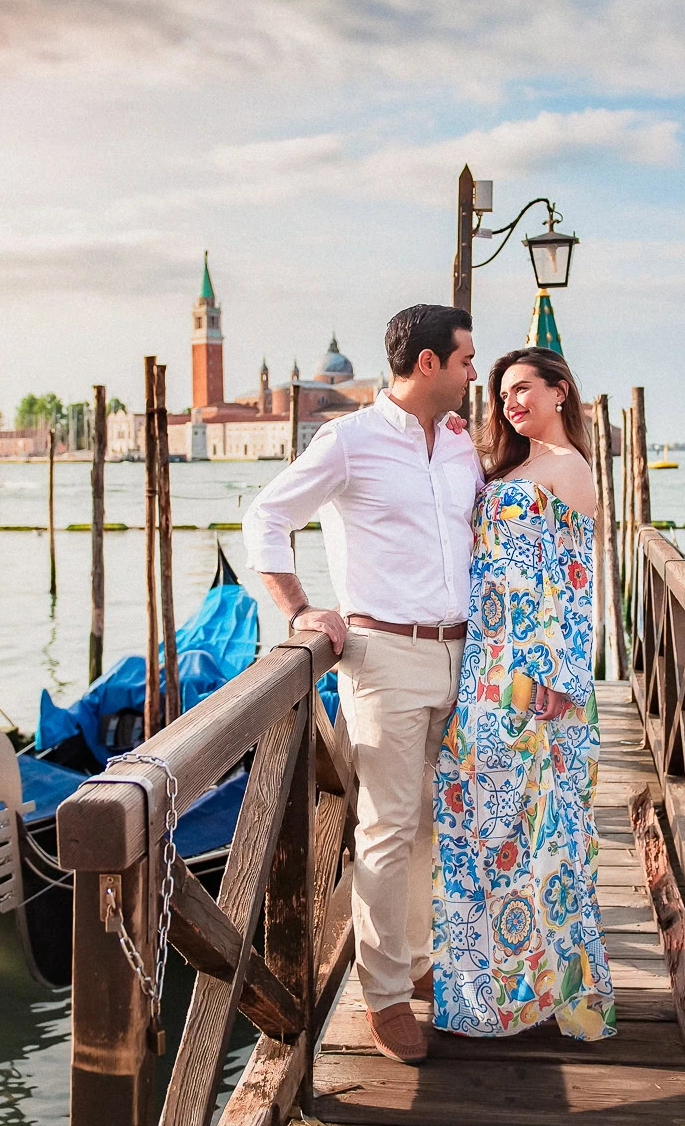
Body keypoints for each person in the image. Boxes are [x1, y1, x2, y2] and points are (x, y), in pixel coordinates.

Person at [242, 304, 480, 1066]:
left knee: (429, 827)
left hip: (459, 654)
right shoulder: (348, 439)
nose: (476, 371)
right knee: (383, 828)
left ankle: (415, 959)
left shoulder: (459, 443)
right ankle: (382, 997)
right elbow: (265, 517)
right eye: (467, 358)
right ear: (430, 364)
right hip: (383, 656)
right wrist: (301, 607)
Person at [431, 346, 615, 1041]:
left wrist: (552, 687)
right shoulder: (509, 467)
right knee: (479, 827)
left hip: (530, 683)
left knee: (539, 836)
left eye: (524, 388)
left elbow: (571, 589)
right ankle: (493, 992)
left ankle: (548, 995)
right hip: (484, 668)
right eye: (503, 392)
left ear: (561, 391)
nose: (511, 402)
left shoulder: (570, 471)